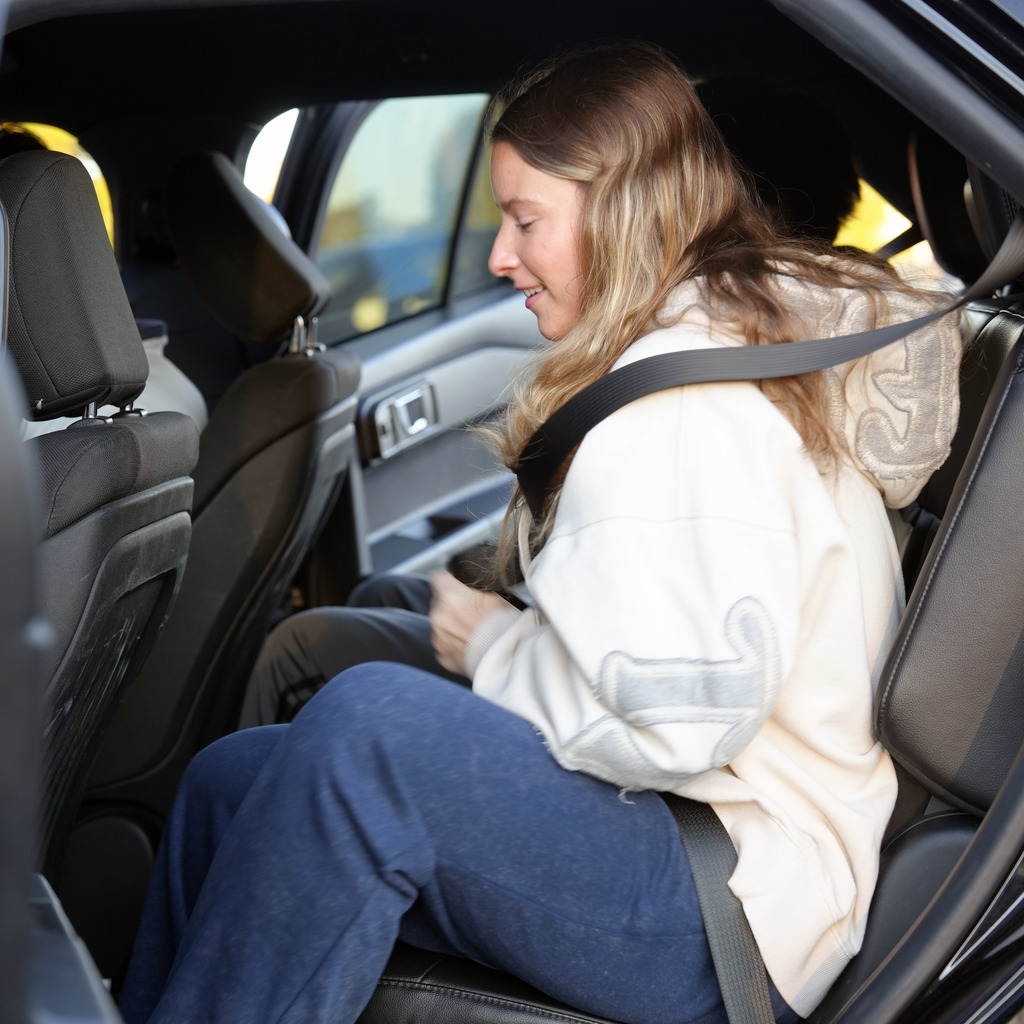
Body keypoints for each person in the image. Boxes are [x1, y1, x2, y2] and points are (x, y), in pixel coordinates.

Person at [119, 41, 963, 1024]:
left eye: (524, 220)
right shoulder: (724, 354)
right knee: (234, 780)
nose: (497, 256)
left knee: (370, 729)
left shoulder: (683, 401)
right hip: (709, 835)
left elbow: (677, 720)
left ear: (622, 212)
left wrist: (491, 644)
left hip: (739, 897)